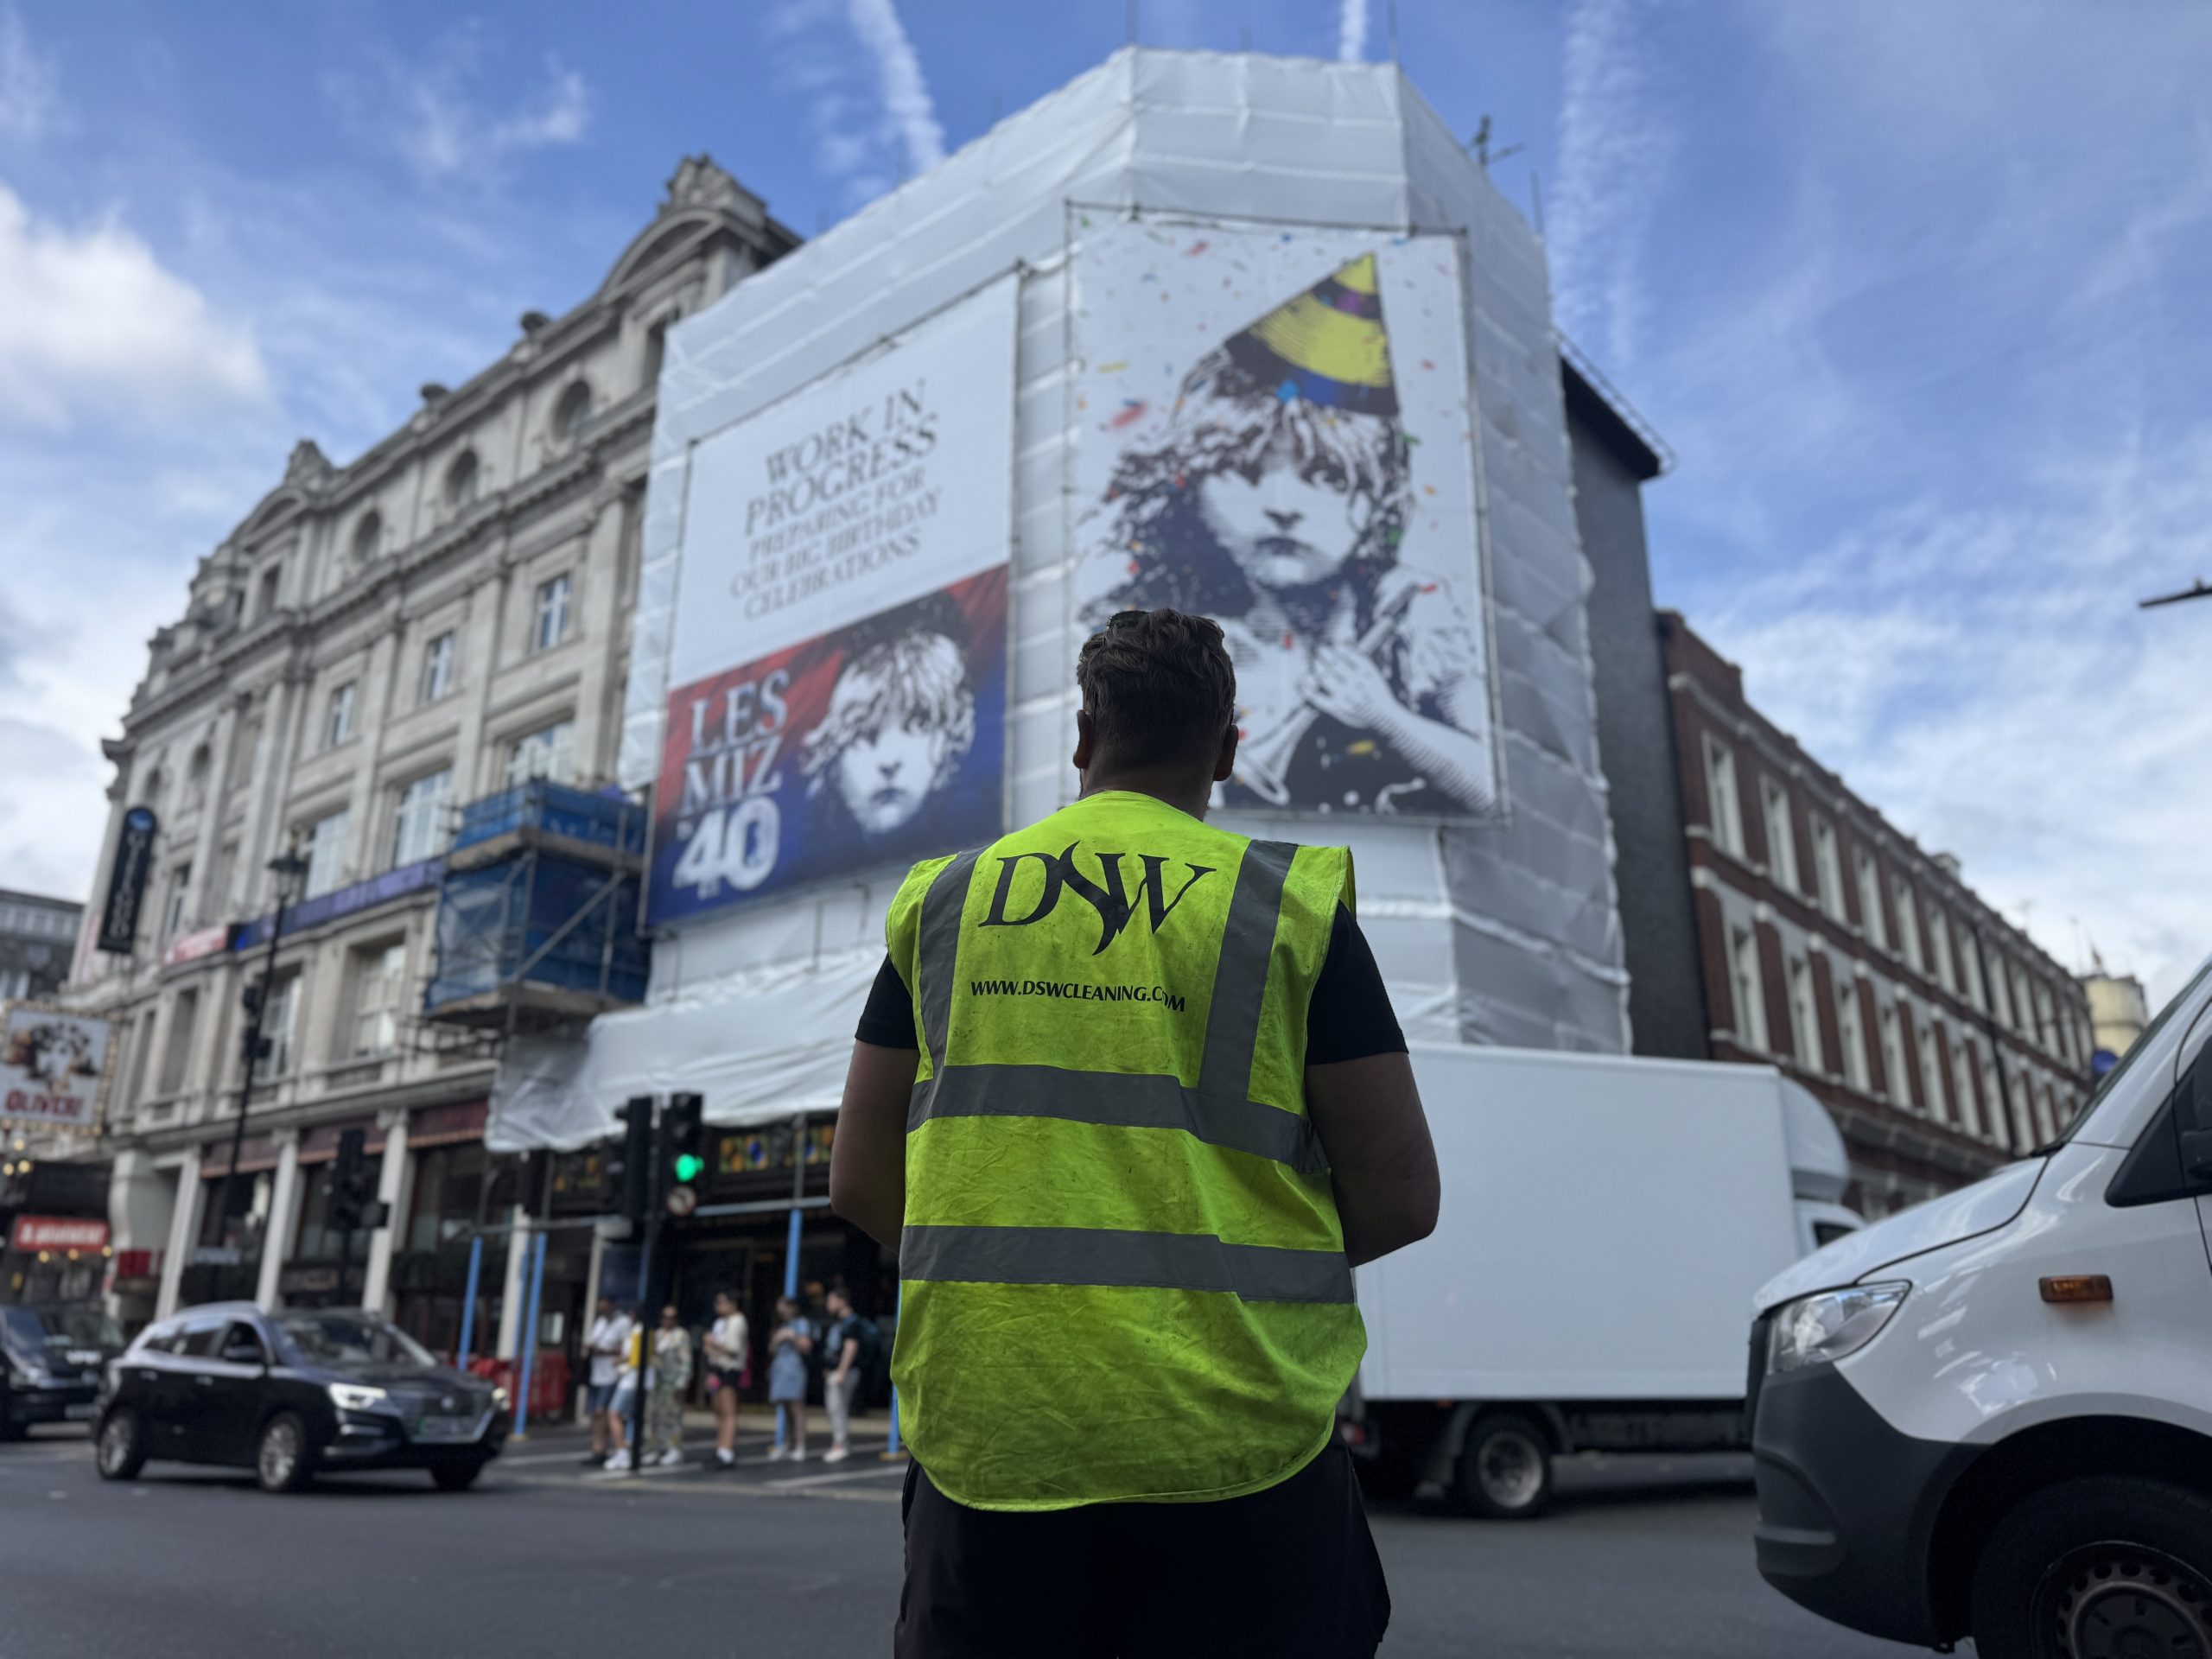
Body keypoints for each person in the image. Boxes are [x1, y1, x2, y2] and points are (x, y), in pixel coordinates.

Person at [831, 606, 1440, 1658]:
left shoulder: (945, 903)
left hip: (993, 1439)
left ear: (1083, 736)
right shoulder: (1286, 904)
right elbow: (1399, 1195)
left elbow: (857, 1180)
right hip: (1239, 1444)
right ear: (1228, 750)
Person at [1084, 254, 1493, 817]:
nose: (1283, 508)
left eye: (1325, 477)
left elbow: (1487, 782)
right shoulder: (1137, 632)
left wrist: (1386, 717)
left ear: (1380, 496)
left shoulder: (1409, 611)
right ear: (1192, 478)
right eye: (1247, 470)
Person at [581, 1296, 636, 1467]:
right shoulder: (600, 1323)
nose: (601, 1307)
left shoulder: (623, 1323)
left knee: (606, 1412)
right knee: (595, 1414)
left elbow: (628, 1349)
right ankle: (598, 1449)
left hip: (612, 1375)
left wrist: (606, 1352)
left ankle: (617, 1449)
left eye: (605, 1304)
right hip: (596, 1374)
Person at [820, 1286, 868, 1464]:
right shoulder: (842, 1322)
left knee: (837, 1408)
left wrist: (841, 1372)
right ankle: (840, 1443)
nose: (828, 1304)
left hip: (845, 1372)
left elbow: (851, 1347)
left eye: (831, 1300)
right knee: (836, 1408)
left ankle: (839, 1444)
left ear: (842, 1300)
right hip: (838, 1371)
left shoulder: (851, 1322)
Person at [702, 1291, 750, 1470]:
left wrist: (714, 1345)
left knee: (728, 1410)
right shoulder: (719, 1323)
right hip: (717, 1367)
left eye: (723, 1303)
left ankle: (727, 1450)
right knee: (718, 1410)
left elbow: (734, 1349)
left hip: (729, 1369)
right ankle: (720, 1447)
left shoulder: (738, 1321)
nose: (719, 1307)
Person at [765, 1294, 815, 1463]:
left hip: (794, 1370)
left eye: (784, 1307)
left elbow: (806, 1347)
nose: (782, 1311)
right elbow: (771, 1350)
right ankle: (787, 1444)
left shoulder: (801, 1324)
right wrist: (776, 1339)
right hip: (780, 1370)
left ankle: (801, 1446)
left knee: (796, 1408)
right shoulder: (781, 1325)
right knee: (785, 1410)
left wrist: (792, 1337)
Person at [643, 1305, 692, 1468]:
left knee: (672, 1416)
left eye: (672, 1317)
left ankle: (674, 1449)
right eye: (665, 1317)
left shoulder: (681, 1335)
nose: (667, 1320)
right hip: (657, 1383)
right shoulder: (656, 1335)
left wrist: (682, 1383)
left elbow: (686, 1361)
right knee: (654, 1416)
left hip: (672, 1383)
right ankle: (655, 1448)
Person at [602, 1322, 643, 1472]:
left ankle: (622, 1452)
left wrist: (621, 1360)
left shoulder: (638, 1330)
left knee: (613, 1413)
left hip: (631, 1379)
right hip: (632, 1379)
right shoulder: (637, 1330)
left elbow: (636, 1355)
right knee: (630, 1416)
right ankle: (626, 1451)